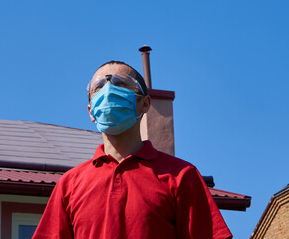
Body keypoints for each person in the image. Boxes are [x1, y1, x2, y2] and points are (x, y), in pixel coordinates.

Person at [32, 61, 233, 239]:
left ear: (145, 103)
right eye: (98, 87)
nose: (108, 91)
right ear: (90, 111)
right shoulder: (69, 184)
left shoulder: (181, 176)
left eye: (120, 83)